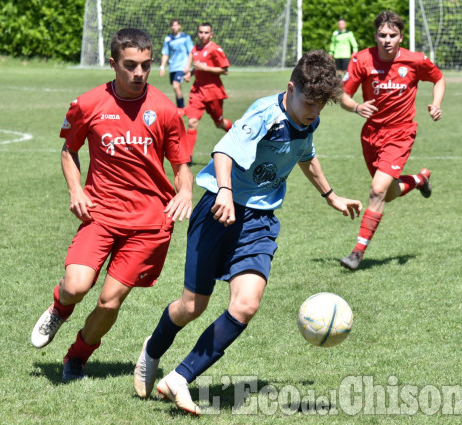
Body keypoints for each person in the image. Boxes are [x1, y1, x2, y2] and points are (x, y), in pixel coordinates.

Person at [132, 50, 363, 415]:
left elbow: (305, 153)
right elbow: (224, 151)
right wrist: (224, 191)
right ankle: (152, 350)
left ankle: (178, 379)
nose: (314, 111)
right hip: (218, 210)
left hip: (260, 221)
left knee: (246, 304)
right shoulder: (265, 114)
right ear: (291, 88)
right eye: (308, 101)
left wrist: (330, 195)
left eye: (321, 105)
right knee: (192, 306)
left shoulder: (308, 120)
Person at [30, 28, 193, 383]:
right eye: (130, 65)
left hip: (150, 222)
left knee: (109, 301)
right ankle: (60, 309)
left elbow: (182, 166)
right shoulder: (87, 104)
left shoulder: (164, 110)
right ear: (113, 63)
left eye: (146, 66)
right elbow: (69, 150)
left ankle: (76, 357)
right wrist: (76, 190)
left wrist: (184, 193)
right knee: (75, 286)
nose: (139, 73)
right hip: (100, 213)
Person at [338, 10, 445, 271]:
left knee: (376, 191)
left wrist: (436, 103)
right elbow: (343, 95)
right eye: (382, 35)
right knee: (387, 194)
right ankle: (420, 179)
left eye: (392, 35)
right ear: (375, 35)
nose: (386, 40)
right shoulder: (361, 59)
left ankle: (357, 253)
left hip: (400, 133)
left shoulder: (415, 60)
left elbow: (438, 78)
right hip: (371, 134)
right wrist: (356, 107)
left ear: (400, 37)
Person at [182, 22, 232, 161]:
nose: (203, 35)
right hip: (197, 91)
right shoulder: (195, 49)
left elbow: (225, 70)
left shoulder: (215, 49)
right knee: (192, 122)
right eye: (200, 32)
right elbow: (197, 67)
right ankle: (188, 156)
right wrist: (190, 74)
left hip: (213, 92)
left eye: (206, 33)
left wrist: (206, 69)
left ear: (211, 34)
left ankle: (238, 133)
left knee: (219, 124)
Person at [159, 18, 194, 110]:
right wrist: (162, 67)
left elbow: (191, 52)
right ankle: (181, 106)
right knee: (177, 87)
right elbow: (165, 54)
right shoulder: (168, 39)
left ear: (179, 26)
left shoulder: (185, 37)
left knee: (175, 85)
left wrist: (188, 66)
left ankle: (181, 108)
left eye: (176, 25)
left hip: (182, 66)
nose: (174, 27)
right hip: (172, 67)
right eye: (172, 25)